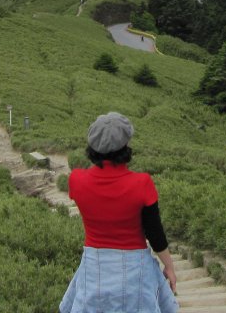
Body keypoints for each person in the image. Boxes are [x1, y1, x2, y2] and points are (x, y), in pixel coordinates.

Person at [60, 112, 178, 313]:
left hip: (94, 267)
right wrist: (169, 267)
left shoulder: (77, 180)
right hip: (134, 270)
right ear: (125, 146)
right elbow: (155, 233)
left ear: (92, 146)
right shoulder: (142, 183)